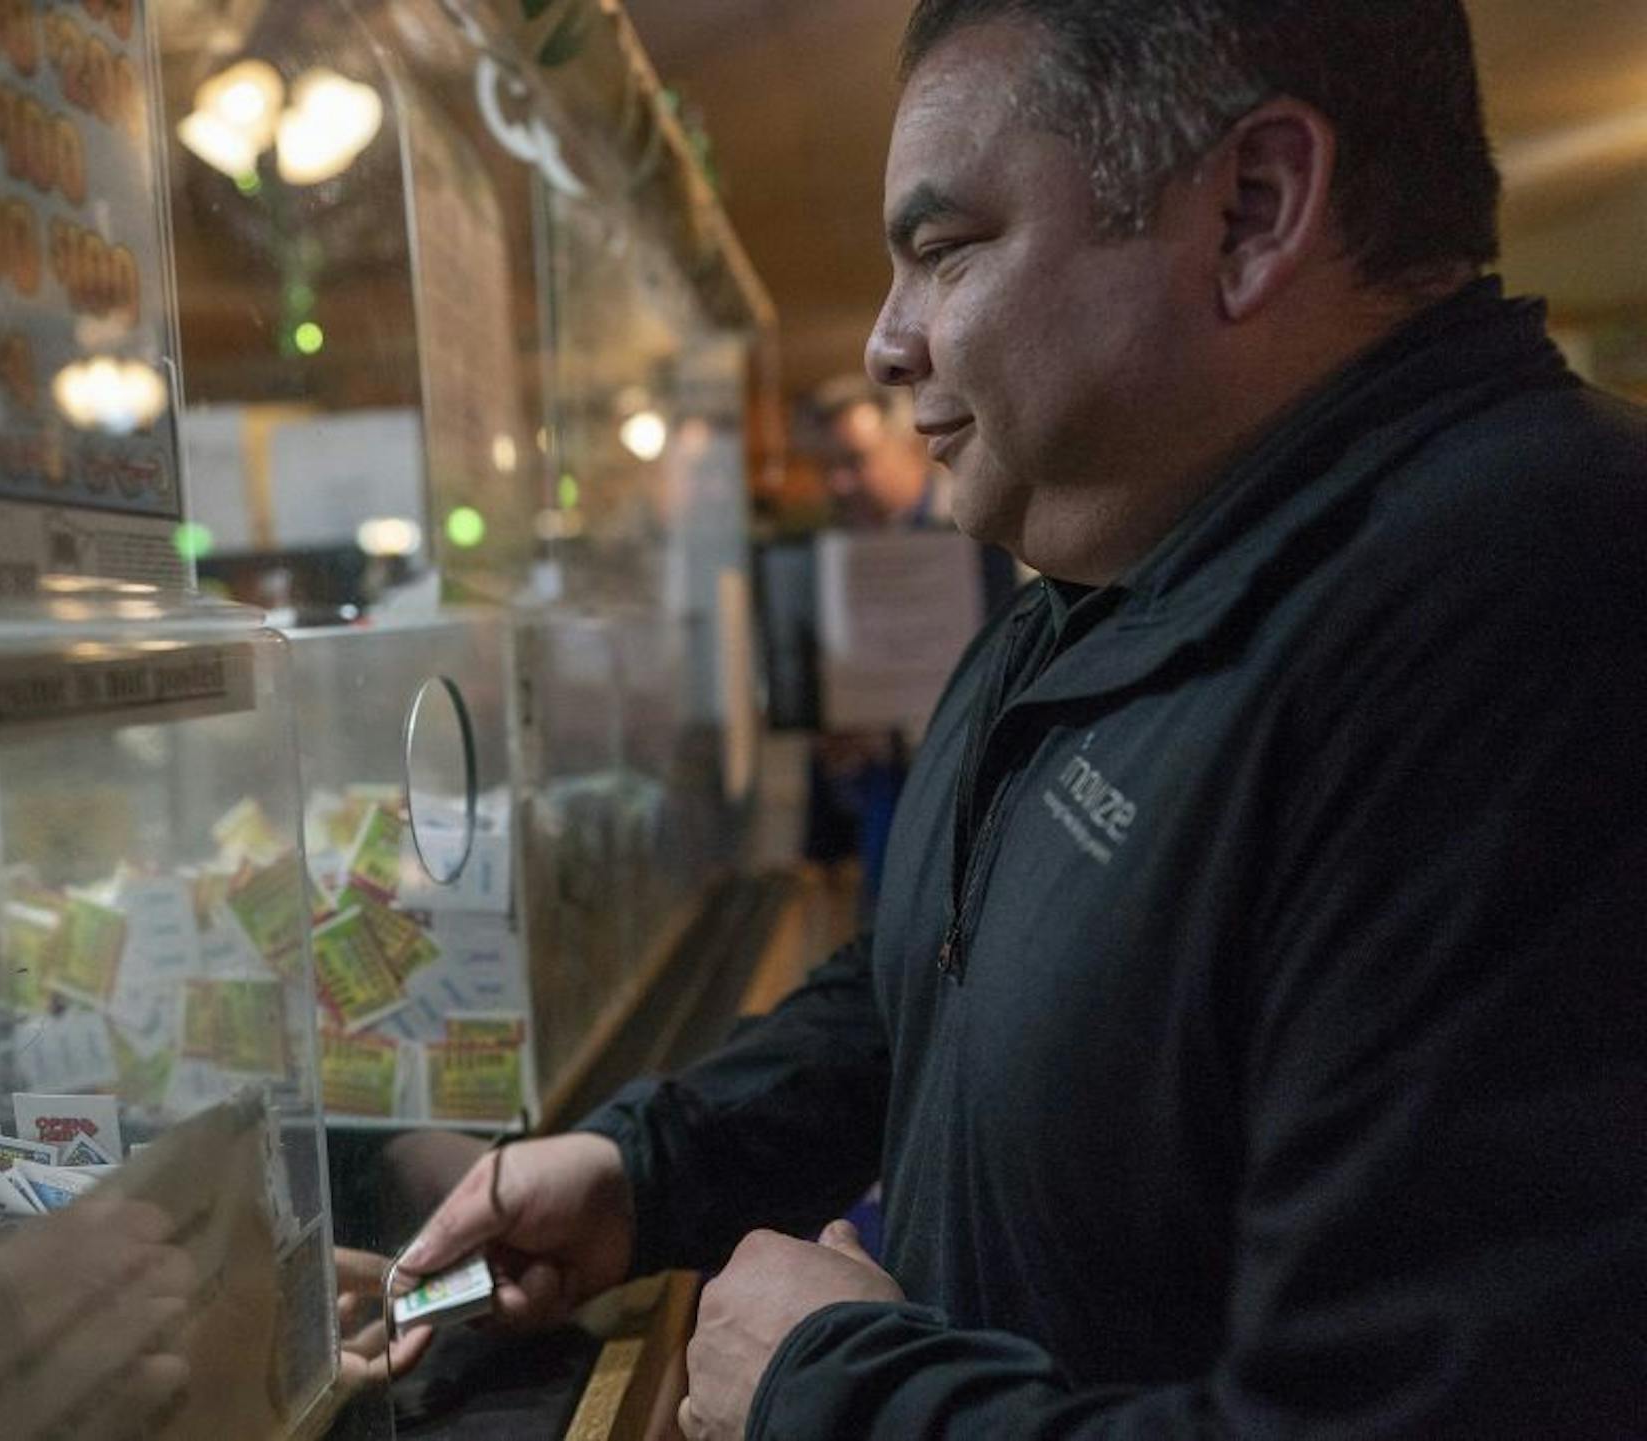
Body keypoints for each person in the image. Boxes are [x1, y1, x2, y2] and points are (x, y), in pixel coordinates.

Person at [389, 1, 1647, 1436]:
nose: (882, 342)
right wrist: (649, 1167)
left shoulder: (1534, 610)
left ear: (1250, 211)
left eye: (944, 249)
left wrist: (840, 1392)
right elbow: (944, 968)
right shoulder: (1132, 554)